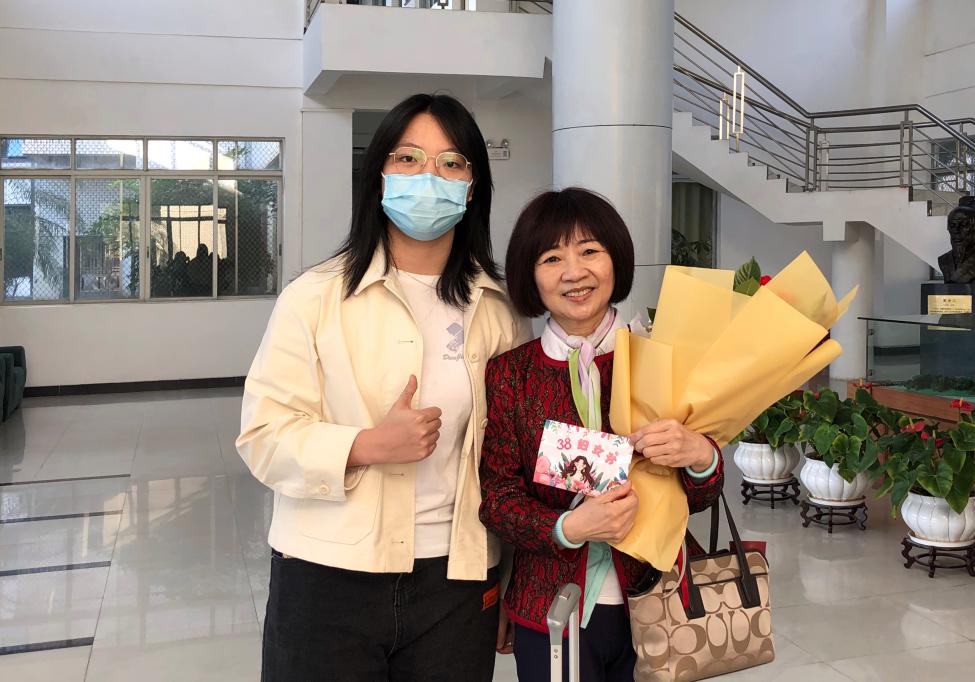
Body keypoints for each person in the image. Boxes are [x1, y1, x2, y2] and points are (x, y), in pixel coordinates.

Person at [237, 93, 529, 682]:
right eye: (408, 158)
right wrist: (366, 445)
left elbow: (510, 456)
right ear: (379, 177)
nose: (430, 176)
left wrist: (511, 575)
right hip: (327, 573)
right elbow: (263, 435)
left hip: (457, 580)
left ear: (473, 188)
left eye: (452, 163)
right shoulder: (315, 297)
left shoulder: (498, 309)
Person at [479, 187, 725, 682]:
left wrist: (701, 455)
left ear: (616, 260)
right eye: (552, 258)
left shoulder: (661, 357)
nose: (574, 272)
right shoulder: (511, 374)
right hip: (550, 607)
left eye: (590, 250)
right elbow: (499, 499)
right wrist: (568, 527)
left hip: (661, 599)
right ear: (531, 275)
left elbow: (700, 498)